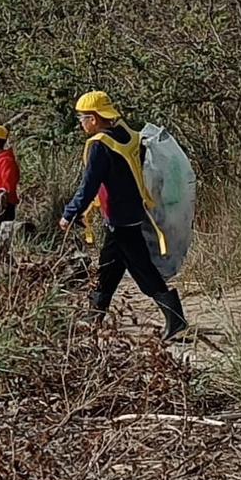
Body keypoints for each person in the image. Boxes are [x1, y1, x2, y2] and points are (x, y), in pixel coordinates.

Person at [59, 90, 187, 340]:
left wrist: (69, 213)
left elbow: (89, 185)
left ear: (94, 118)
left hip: (120, 218)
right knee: (109, 266)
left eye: (82, 118)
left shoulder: (100, 145)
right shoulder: (129, 136)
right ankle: (94, 315)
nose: (81, 123)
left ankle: (176, 318)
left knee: (142, 271)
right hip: (132, 212)